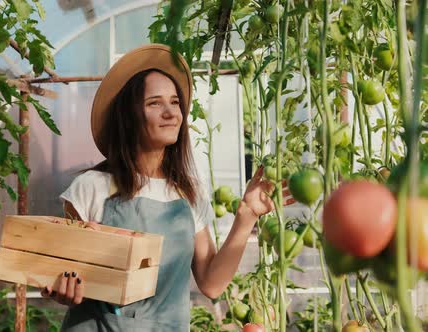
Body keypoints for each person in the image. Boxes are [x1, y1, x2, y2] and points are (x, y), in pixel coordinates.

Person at [41, 43, 295, 331]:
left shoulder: (188, 194)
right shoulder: (91, 188)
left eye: (175, 102)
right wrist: (64, 289)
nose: (171, 112)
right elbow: (67, 276)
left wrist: (247, 214)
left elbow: (211, 284)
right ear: (130, 116)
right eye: (154, 103)